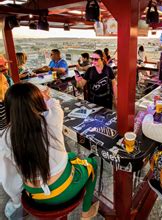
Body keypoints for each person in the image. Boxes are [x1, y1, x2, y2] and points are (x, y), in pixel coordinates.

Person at [1, 83, 98, 219]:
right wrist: (46, 96)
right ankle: (86, 212)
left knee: (70, 156)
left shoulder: (4, 138)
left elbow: (8, 179)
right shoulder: (51, 118)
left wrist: (17, 201)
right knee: (92, 163)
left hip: (34, 195)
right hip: (63, 190)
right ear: (37, 101)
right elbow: (55, 105)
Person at [0, 62, 22, 219]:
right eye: (1, 67)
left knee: (16, 163)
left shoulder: (7, 79)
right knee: (7, 169)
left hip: (12, 127)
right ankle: (17, 201)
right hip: (3, 131)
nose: (5, 69)